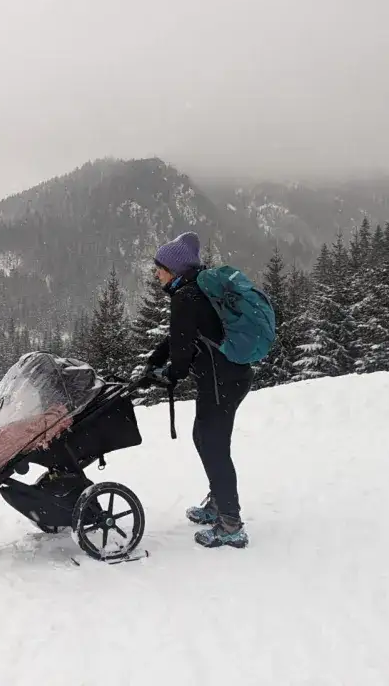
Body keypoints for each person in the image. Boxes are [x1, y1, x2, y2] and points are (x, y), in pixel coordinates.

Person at [131, 231, 254, 548]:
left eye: (160, 268)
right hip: (230, 377)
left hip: (220, 381)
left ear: (174, 270)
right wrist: (154, 361)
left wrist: (169, 374)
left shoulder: (186, 297)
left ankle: (230, 523)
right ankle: (219, 504)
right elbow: (178, 338)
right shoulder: (196, 290)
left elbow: (182, 352)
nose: (156, 273)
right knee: (208, 440)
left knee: (212, 445)